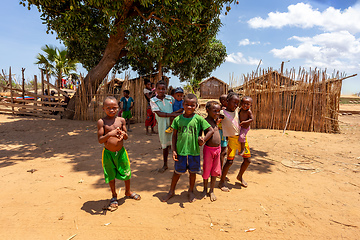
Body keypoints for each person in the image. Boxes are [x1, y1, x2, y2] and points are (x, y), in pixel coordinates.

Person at [162, 94, 214, 203]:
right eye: (187, 104)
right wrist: (174, 150)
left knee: (192, 172)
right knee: (177, 172)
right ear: (183, 104)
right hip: (180, 152)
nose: (189, 107)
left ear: (196, 106)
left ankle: (190, 191)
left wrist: (203, 140)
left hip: (194, 152)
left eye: (192, 105)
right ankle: (171, 191)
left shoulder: (199, 119)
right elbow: (174, 135)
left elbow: (210, 130)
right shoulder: (177, 119)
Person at [97, 96, 141, 211]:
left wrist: (123, 134)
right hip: (108, 154)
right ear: (103, 109)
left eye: (114, 108)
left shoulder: (121, 120)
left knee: (127, 172)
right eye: (108, 108)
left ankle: (127, 191)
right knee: (110, 174)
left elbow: (126, 136)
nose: (112, 110)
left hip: (121, 152)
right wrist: (109, 134)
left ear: (118, 108)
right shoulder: (102, 122)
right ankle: (114, 196)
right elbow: (100, 140)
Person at [218, 92, 251, 191]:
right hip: (232, 139)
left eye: (237, 103)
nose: (236, 105)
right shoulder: (222, 113)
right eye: (234, 103)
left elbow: (248, 112)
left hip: (242, 140)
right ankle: (221, 182)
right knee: (229, 161)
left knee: (248, 160)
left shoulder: (238, 111)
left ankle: (240, 176)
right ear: (227, 102)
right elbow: (217, 122)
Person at [150, 80, 181, 173]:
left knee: (176, 144)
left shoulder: (170, 99)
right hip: (163, 126)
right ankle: (165, 164)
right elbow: (159, 114)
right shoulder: (153, 100)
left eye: (163, 89)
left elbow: (177, 106)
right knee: (165, 146)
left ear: (166, 89)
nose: (161, 91)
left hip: (173, 124)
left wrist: (176, 114)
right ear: (156, 89)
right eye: (159, 89)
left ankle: (179, 165)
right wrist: (172, 115)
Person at [201, 101, 221, 202]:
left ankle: (211, 190)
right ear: (207, 110)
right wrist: (201, 139)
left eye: (218, 111)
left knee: (214, 171)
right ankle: (205, 189)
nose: (217, 113)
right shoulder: (205, 122)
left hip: (218, 149)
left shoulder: (215, 120)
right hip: (209, 150)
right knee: (206, 170)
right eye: (214, 111)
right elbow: (200, 134)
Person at [218, 94, 228, 170]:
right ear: (223, 101)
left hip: (225, 132)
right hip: (221, 132)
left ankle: (219, 169)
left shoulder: (228, 109)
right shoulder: (221, 110)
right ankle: (220, 169)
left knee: (223, 152)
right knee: (223, 152)